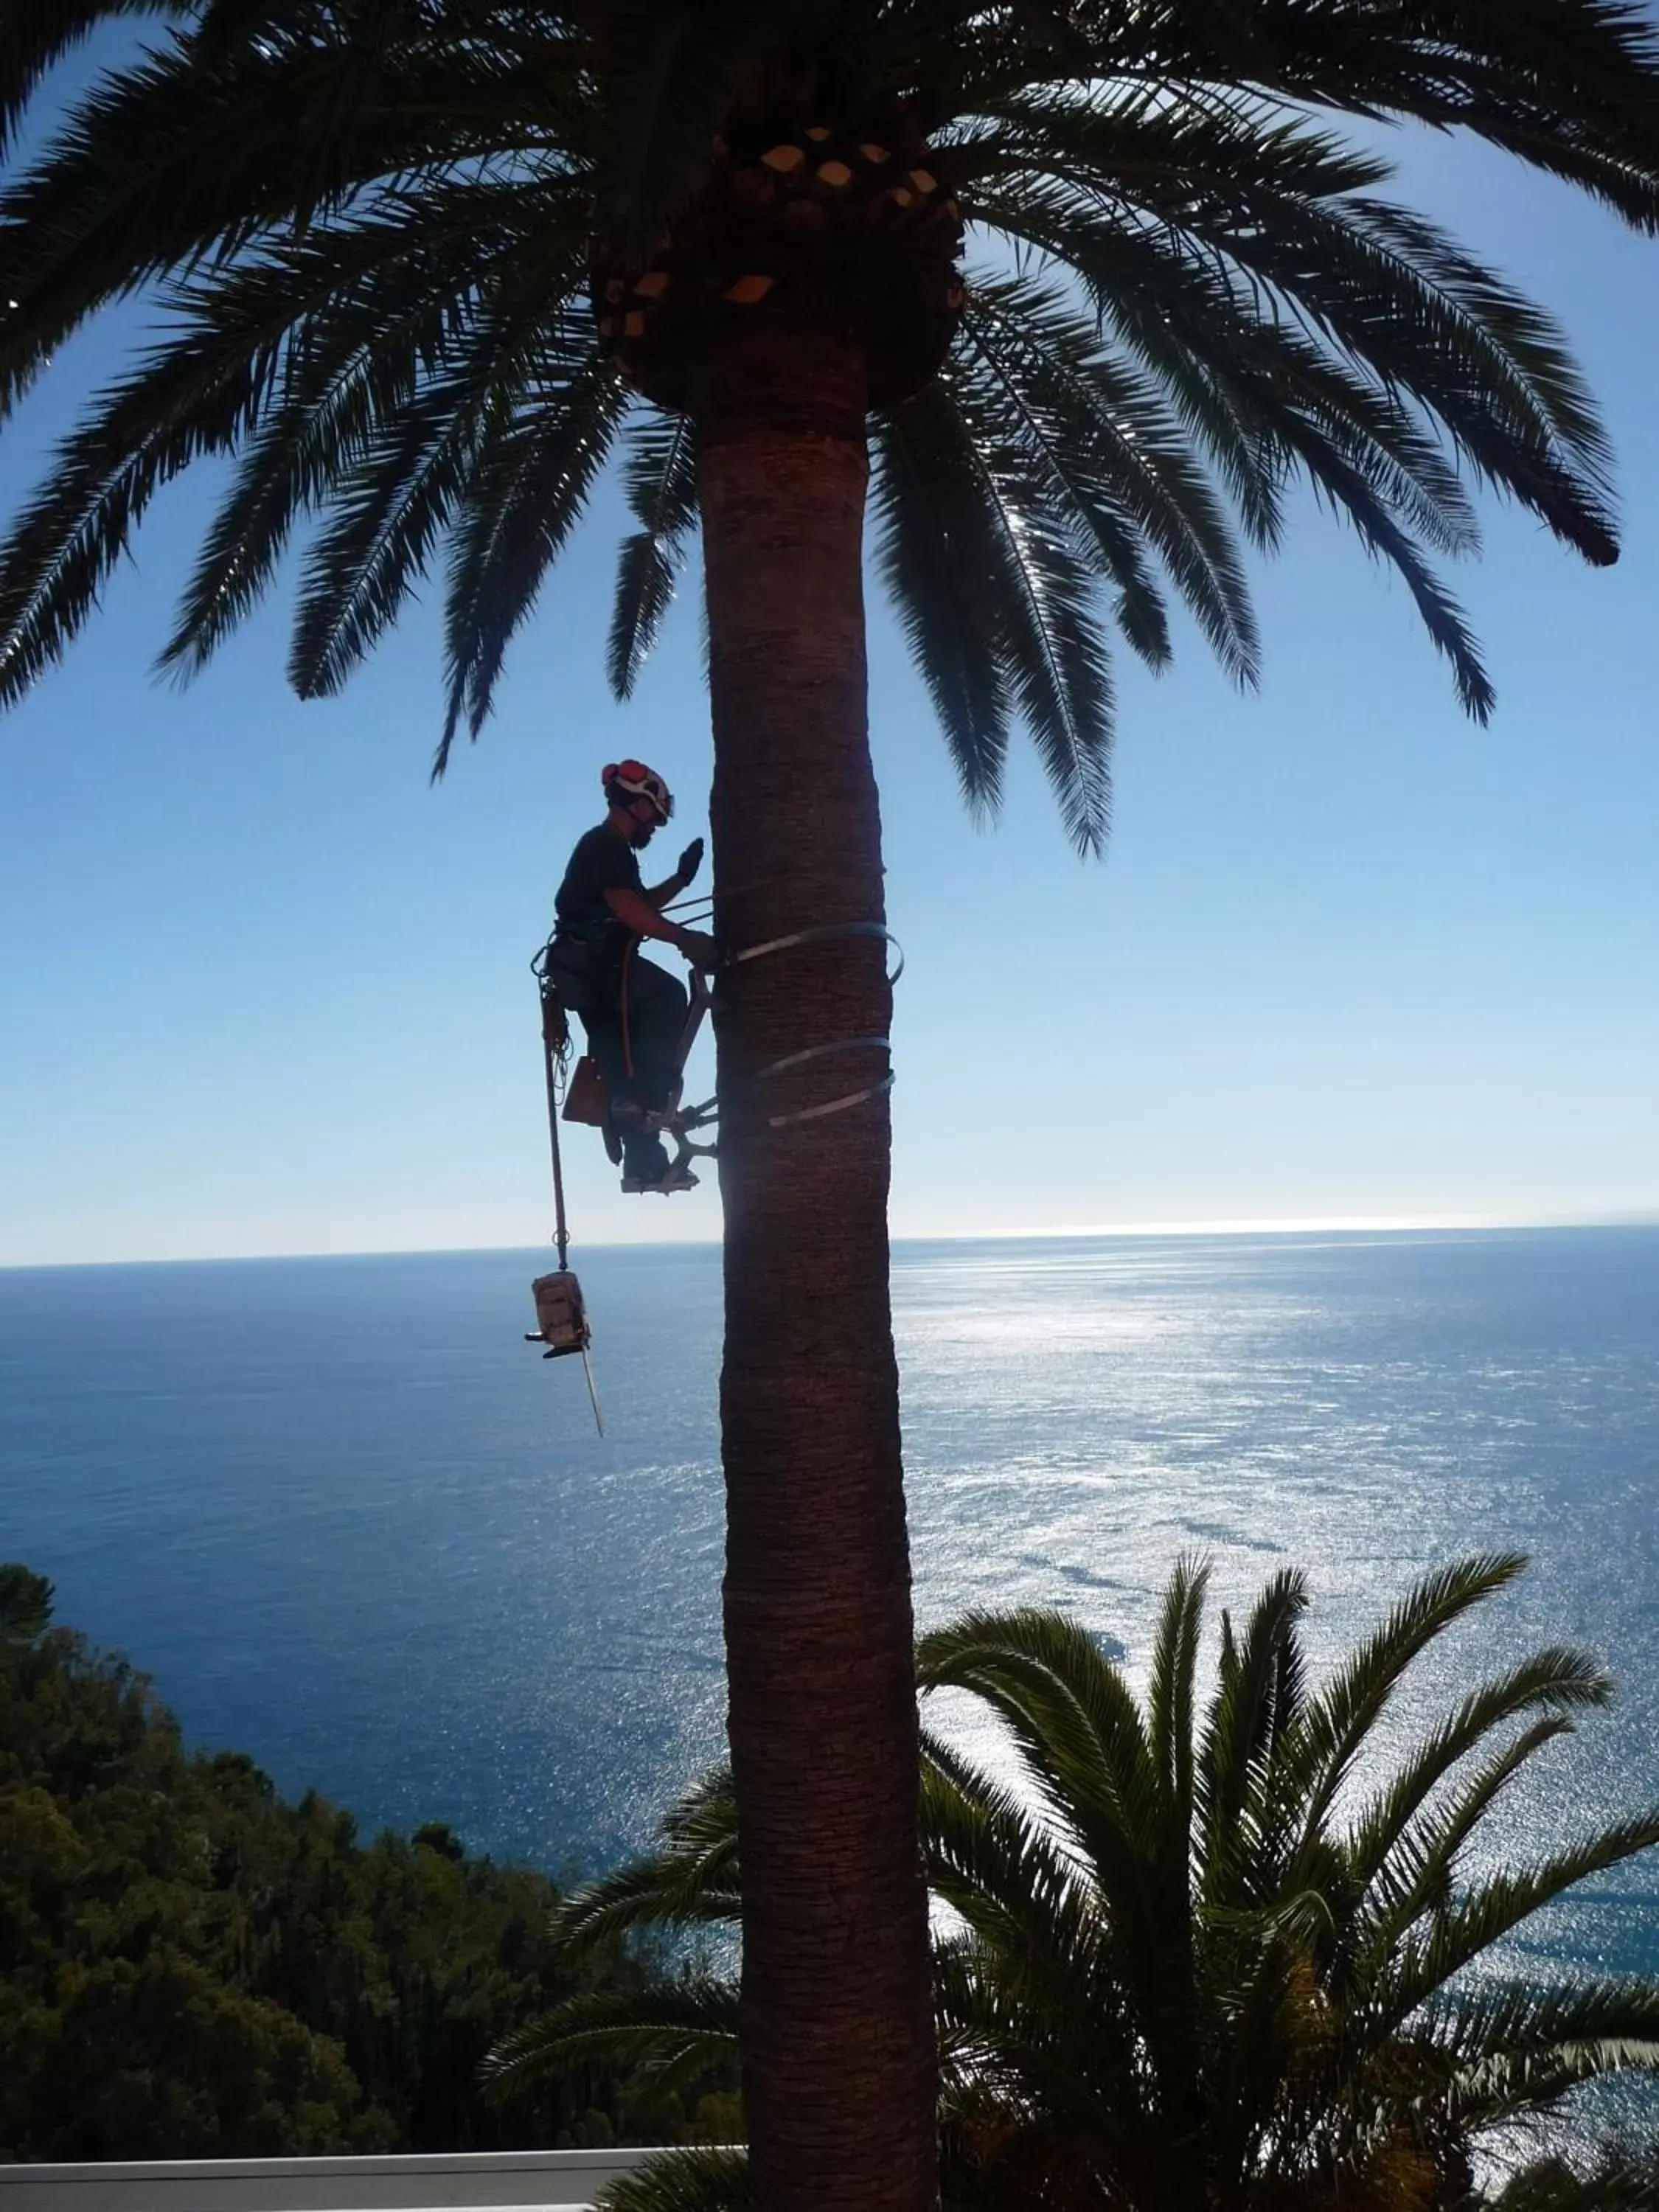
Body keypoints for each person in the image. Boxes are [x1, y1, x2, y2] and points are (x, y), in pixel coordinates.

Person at [549, 760, 717, 1192]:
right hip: (600, 971)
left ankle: (644, 1164)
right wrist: (685, 939)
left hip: (588, 975)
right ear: (637, 807)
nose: (654, 829)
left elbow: (639, 904)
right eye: (654, 819)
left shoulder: (609, 850)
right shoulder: (605, 845)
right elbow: (632, 912)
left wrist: (681, 880)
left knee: (620, 1067)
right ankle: (645, 1100)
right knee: (665, 997)